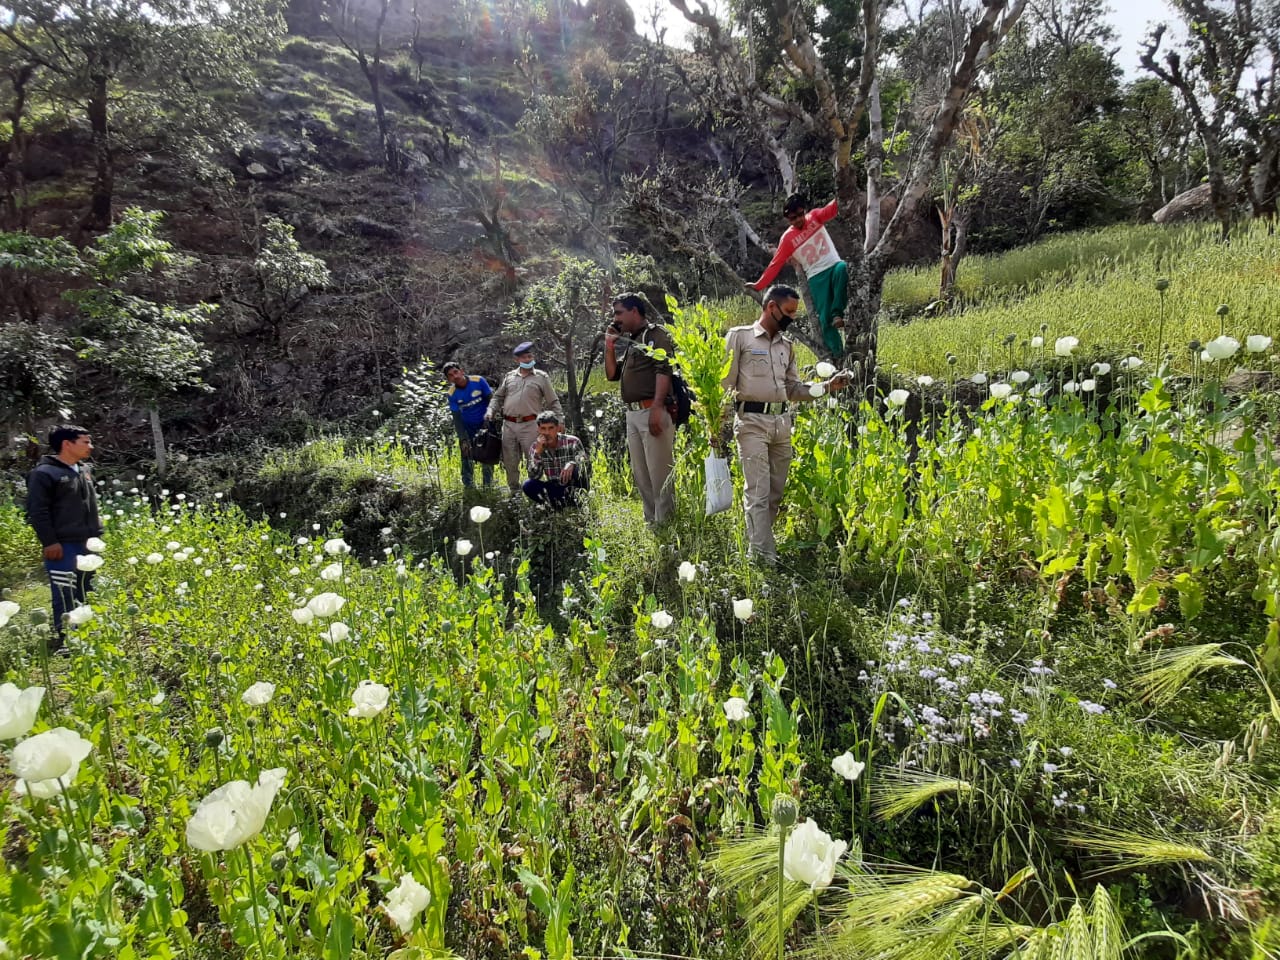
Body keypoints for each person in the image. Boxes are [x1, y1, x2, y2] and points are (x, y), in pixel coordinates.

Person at [722, 285, 849, 564]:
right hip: (751, 421)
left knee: (775, 493)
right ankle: (763, 558)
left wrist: (827, 387)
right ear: (771, 308)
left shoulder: (786, 346)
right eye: (789, 312)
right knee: (757, 491)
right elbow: (725, 385)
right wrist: (718, 428)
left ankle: (759, 548)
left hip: (781, 423)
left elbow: (792, 388)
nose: (793, 317)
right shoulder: (740, 338)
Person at [24, 424, 103, 647]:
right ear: (67, 444)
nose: (90, 446)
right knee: (65, 591)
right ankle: (69, 639)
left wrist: (97, 533)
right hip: (62, 544)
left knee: (87, 588)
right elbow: (37, 511)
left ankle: (89, 634)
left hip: (88, 542)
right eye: (85, 442)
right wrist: (50, 541)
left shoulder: (84, 470)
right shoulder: (44, 473)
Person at [603, 293, 676, 527]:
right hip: (633, 414)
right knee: (641, 474)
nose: (616, 319)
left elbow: (663, 370)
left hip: (651, 410)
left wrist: (656, 406)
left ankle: (666, 523)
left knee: (659, 473)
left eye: (619, 313)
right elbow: (612, 374)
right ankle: (652, 522)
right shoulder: (633, 343)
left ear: (634, 311)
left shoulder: (655, 335)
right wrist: (610, 345)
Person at [747, 194, 847, 358]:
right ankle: (839, 357)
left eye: (800, 215)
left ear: (804, 211)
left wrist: (845, 182)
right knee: (824, 319)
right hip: (816, 276)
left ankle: (838, 313)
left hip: (833, 264)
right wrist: (758, 285)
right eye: (792, 218)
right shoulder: (787, 239)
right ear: (787, 219)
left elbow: (834, 207)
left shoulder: (815, 217)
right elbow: (775, 264)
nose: (797, 220)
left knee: (843, 268)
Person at [485, 342, 563, 493]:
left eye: (529, 356)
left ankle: (534, 492)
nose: (527, 359)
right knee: (510, 461)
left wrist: (559, 420)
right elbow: (497, 397)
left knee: (534, 458)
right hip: (508, 424)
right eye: (524, 357)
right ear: (517, 360)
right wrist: (491, 410)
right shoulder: (509, 377)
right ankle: (514, 492)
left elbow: (553, 401)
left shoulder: (541, 377)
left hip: (531, 425)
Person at [444, 360, 494, 489]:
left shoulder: (478, 381)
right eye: (450, 375)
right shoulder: (451, 393)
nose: (455, 376)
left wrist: (491, 421)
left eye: (456, 372)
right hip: (468, 427)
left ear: (462, 371)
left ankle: (488, 487)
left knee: (487, 457)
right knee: (466, 455)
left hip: (485, 424)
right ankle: (468, 487)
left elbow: (492, 401)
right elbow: (456, 417)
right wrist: (462, 438)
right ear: (449, 379)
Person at [522, 411, 587, 509]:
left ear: (558, 428)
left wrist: (572, 463)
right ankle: (555, 506)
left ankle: (576, 504)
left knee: (577, 470)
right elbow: (533, 476)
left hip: (572, 485)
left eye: (551, 428)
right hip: (554, 487)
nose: (547, 433)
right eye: (543, 428)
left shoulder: (572, 441)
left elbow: (587, 467)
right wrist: (538, 453)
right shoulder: (536, 446)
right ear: (538, 429)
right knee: (528, 485)